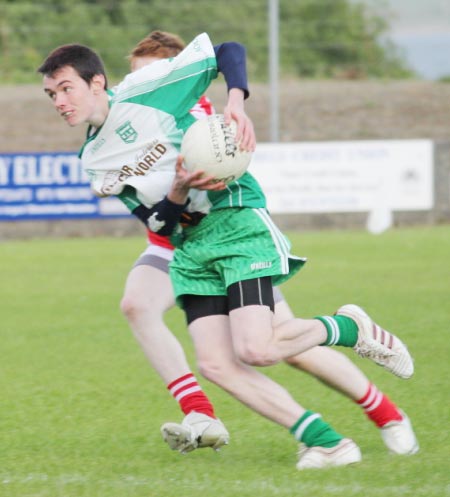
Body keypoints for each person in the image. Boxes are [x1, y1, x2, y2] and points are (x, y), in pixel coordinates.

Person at [38, 33, 416, 470]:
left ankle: (350, 330)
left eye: (66, 88)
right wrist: (177, 191)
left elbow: (228, 50)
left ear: (97, 83)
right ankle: (328, 444)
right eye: (51, 94)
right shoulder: (94, 159)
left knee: (264, 348)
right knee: (216, 363)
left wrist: (236, 101)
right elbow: (158, 223)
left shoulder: (148, 93)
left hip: (234, 222)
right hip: (188, 248)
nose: (59, 101)